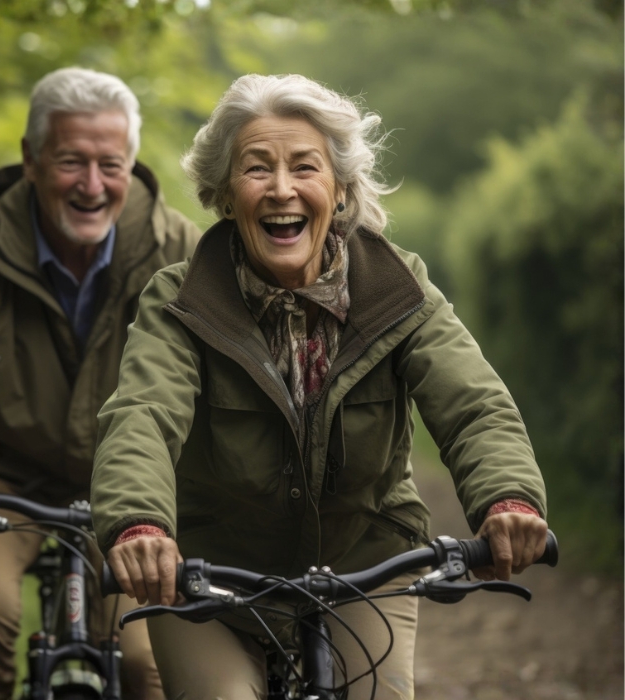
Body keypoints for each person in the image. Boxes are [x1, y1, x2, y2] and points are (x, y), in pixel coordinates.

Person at [90, 73, 549, 700]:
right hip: (211, 578)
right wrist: (139, 525)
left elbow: (472, 404)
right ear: (226, 194)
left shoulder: (398, 289)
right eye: (257, 169)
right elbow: (143, 414)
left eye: (305, 167)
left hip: (365, 559)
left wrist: (508, 499)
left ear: (340, 189)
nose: (282, 189)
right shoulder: (180, 300)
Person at [0, 66, 201, 700]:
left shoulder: (177, 251)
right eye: (71, 162)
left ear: (132, 165)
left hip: (131, 479)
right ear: (30, 160)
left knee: (147, 658)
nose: (93, 185)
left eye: (111, 165)